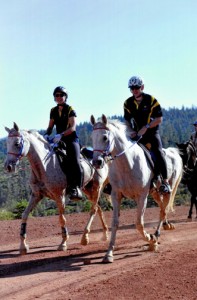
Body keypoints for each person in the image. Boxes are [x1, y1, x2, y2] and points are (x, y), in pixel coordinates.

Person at [123, 75, 171, 194]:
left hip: (152, 132)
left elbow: (159, 119)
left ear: (142, 87)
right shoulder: (127, 103)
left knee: (158, 153)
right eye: (132, 88)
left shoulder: (151, 100)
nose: (134, 90)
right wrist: (130, 131)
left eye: (137, 87)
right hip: (136, 135)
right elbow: (127, 121)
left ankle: (165, 182)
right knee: (122, 151)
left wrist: (147, 127)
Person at [44, 86, 83, 200]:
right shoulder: (53, 111)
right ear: (54, 98)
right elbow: (50, 126)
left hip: (71, 139)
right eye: (57, 95)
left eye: (62, 95)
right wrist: (47, 134)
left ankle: (77, 188)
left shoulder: (70, 109)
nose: (59, 97)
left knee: (75, 161)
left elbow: (73, 128)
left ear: (65, 97)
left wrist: (61, 134)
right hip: (58, 140)